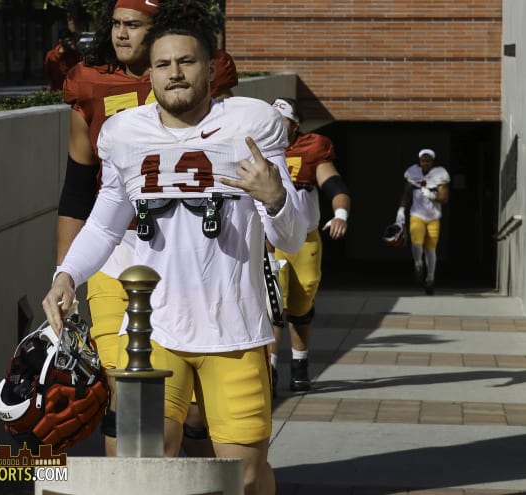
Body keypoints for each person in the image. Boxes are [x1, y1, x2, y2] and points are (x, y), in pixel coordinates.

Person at [42, 1, 310, 492]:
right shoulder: (125, 133)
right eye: (164, 64)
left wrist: (273, 197)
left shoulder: (252, 123)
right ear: (151, 72)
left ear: (210, 67)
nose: (175, 73)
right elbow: (104, 224)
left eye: (187, 62)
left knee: (246, 476)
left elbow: (292, 236)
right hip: (151, 331)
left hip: (234, 331)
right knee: (145, 465)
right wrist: (67, 275)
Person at [56, 0, 239, 457]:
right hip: (117, 250)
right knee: (126, 382)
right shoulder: (91, 86)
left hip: (185, 254)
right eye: (116, 25)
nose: (121, 35)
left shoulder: (196, 83)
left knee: (190, 407)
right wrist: (65, 273)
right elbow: (78, 193)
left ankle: (189, 476)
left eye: (134, 26)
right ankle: (132, 480)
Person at [267, 97, 351, 395]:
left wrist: (340, 213)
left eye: (281, 122)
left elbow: (334, 185)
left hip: (305, 240)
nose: (275, 127)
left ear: (295, 124)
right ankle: (271, 370)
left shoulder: (312, 148)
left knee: (301, 307)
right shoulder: (256, 147)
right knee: (274, 304)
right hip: (270, 240)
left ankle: (300, 366)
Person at [395, 148, 450, 295]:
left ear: (433, 161)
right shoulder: (413, 173)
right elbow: (406, 194)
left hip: (433, 216)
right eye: (422, 160)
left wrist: (432, 195)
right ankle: (418, 263)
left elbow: (444, 198)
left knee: (431, 249)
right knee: (417, 244)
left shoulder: (440, 174)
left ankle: (430, 278)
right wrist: (401, 210)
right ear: (419, 161)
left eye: (428, 160)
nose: (425, 162)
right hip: (416, 214)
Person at [43, 28, 81, 92]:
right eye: (68, 40)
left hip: (72, 92)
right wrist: (52, 86)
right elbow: (47, 73)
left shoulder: (75, 55)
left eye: (71, 40)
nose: (70, 43)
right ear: (60, 41)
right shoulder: (51, 55)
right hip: (56, 92)